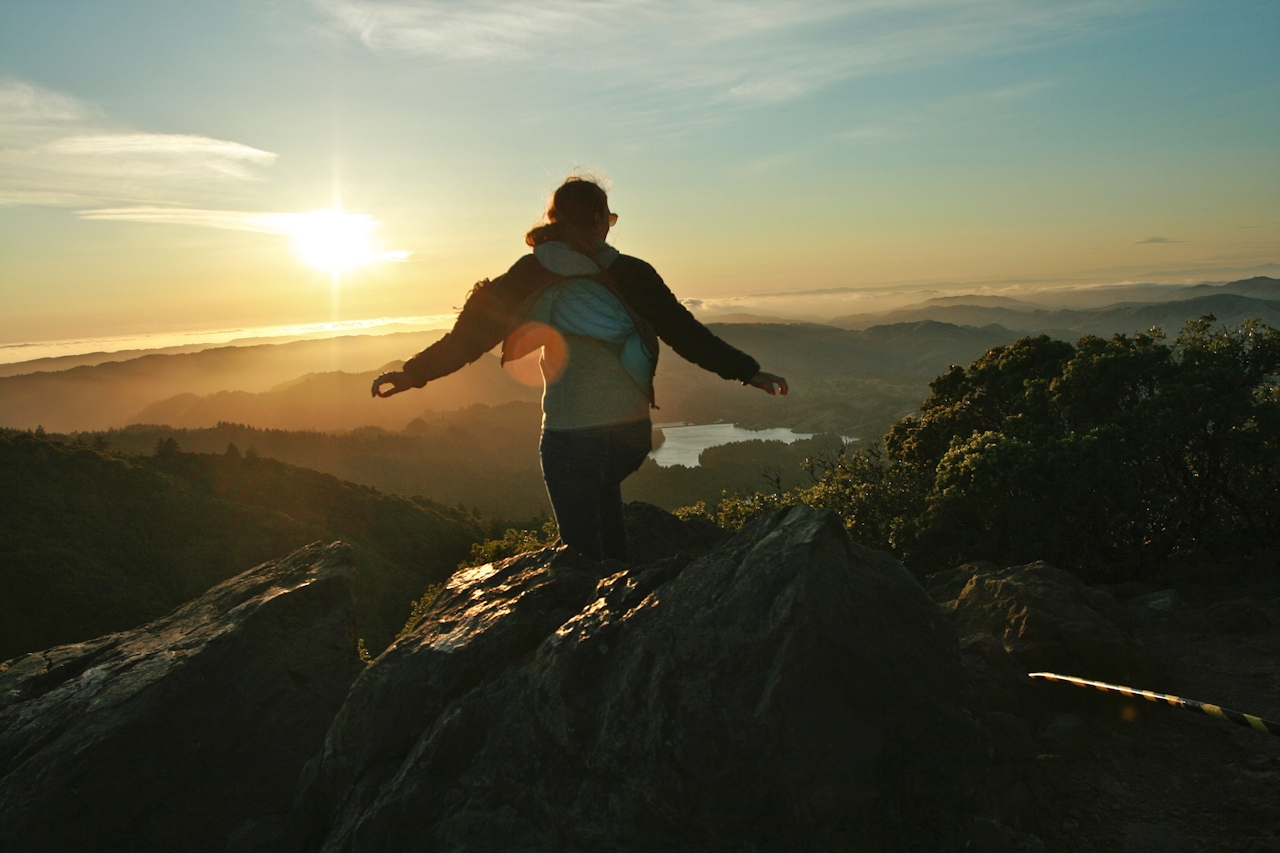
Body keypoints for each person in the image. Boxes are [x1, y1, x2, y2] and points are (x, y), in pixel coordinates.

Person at [372, 176, 788, 562]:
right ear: (597, 220)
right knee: (607, 504)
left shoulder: (531, 271)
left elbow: (469, 337)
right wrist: (748, 372)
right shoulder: (632, 274)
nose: (610, 226)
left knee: (581, 557)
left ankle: (593, 617)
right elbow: (686, 333)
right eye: (608, 218)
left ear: (554, 221)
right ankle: (621, 600)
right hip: (629, 435)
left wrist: (413, 373)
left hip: (570, 434)